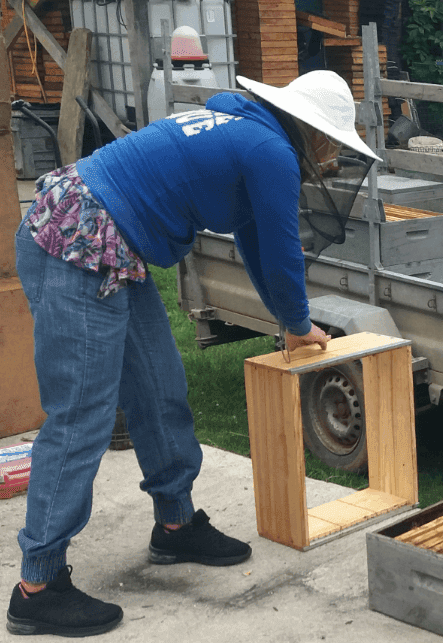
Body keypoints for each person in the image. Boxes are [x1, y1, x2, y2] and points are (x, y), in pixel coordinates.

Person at [8, 70, 379, 637]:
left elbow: (255, 240)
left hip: (108, 240)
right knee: (82, 415)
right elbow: (280, 254)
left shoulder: (246, 131)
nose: (329, 154)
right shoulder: (268, 149)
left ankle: (176, 525)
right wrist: (301, 322)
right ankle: (38, 584)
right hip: (76, 240)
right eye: (329, 139)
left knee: (160, 388)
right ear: (308, 127)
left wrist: (289, 320)